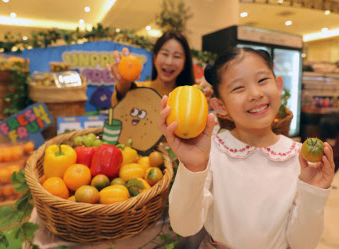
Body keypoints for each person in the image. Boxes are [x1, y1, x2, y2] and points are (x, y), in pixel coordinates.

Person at [158, 47, 335, 249]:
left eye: (262, 81)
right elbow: (185, 226)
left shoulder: (300, 158)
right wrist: (193, 168)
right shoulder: (210, 153)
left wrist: (314, 192)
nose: (255, 94)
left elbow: (303, 244)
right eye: (238, 88)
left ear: (278, 86)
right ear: (220, 106)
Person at [106, 30, 213, 106]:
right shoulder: (138, 89)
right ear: (155, 57)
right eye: (165, 54)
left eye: (177, 56)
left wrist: (199, 105)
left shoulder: (188, 96)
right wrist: (123, 83)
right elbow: (119, 103)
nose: (169, 62)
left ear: (185, 62)